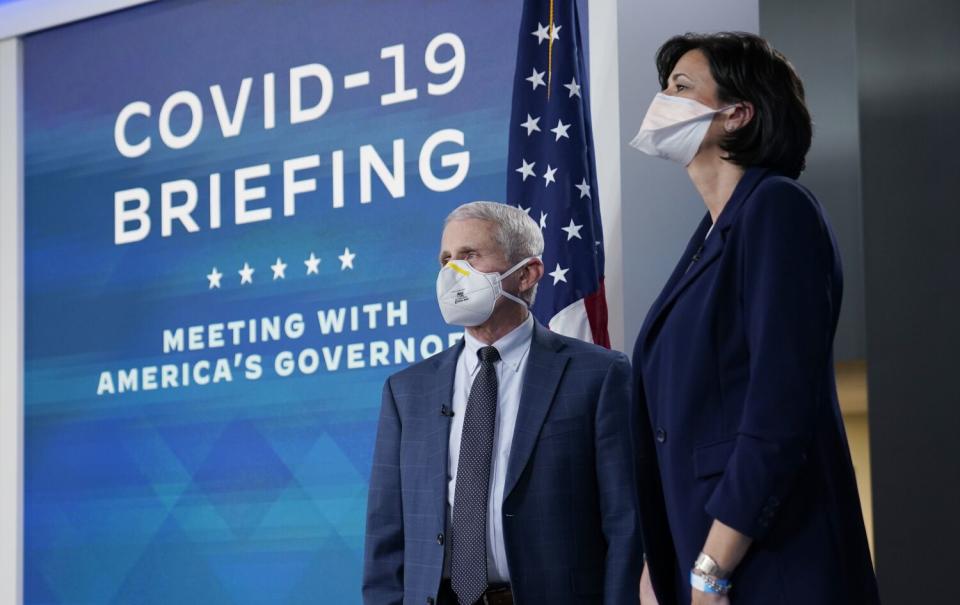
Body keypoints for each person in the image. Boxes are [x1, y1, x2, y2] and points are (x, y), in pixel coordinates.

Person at [629, 33, 881, 605]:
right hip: (708, 560)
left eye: (681, 87)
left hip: (769, 561)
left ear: (737, 114)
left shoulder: (777, 209)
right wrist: (659, 563)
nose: (663, 99)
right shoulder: (710, 237)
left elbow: (779, 405)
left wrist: (712, 566)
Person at [363, 201, 642, 605]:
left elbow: (624, 522)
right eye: (445, 259)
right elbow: (385, 532)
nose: (452, 273)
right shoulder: (407, 390)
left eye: (469, 256)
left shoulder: (598, 375)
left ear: (526, 273)